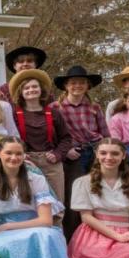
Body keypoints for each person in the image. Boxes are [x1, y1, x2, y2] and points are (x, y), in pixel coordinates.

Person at [52, 65, 109, 239]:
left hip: (94, 152)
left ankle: (97, 235)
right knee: (73, 196)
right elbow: (53, 135)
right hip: (72, 155)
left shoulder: (94, 107)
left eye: (82, 83)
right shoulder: (57, 107)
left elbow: (105, 132)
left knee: (98, 192)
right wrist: (66, 150)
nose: (77, 86)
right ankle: (72, 237)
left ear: (88, 86)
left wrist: (106, 150)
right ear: (66, 86)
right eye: (73, 83)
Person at [9, 69, 72, 211]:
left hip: (50, 162)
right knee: (27, 202)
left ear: (41, 89)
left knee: (56, 203)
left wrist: (57, 154)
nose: (31, 90)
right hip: (25, 161)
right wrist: (19, 154)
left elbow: (66, 138)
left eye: (34, 86)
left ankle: (56, 231)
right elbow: (8, 138)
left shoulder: (54, 113)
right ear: (21, 92)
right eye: (27, 87)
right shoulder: (14, 114)